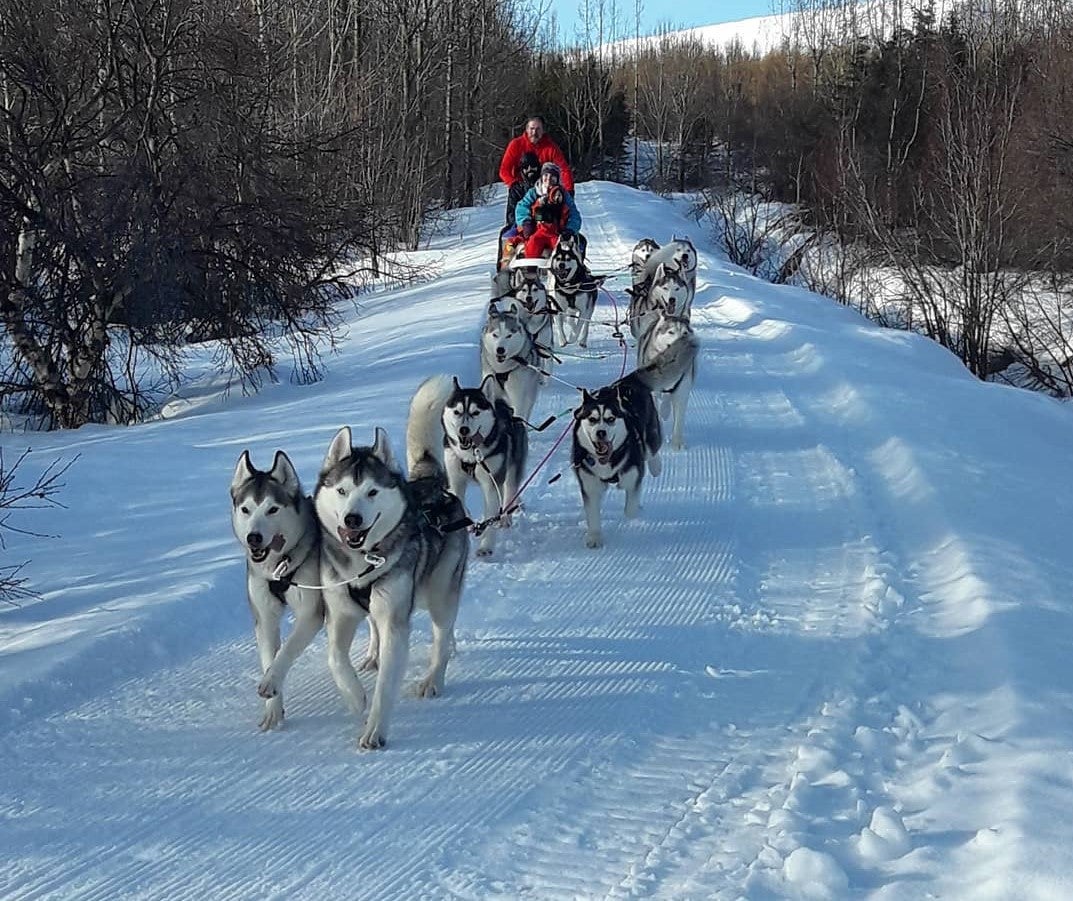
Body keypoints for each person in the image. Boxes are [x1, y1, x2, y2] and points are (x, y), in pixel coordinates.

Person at [499, 116, 575, 227]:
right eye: (532, 128)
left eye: (538, 129)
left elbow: (564, 169)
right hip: (520, 189)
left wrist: (569, 190)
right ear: (526, 129)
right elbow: (504, 170)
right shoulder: (516, 145)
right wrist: (513, 183)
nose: (534, 132)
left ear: (543, 131)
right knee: (513, 225)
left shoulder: (550, 147)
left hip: (543, 189)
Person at [515, 162, 582, 260]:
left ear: (557, 179)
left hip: (558, 231)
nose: (549, 179)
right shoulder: (534, 192)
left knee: (575, 244)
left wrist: (570, 229)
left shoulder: (563, 194)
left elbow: (574, 214)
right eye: (546, 175)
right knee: (519, 241)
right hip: (535, 229)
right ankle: (524, 266)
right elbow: (521, 207)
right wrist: (525, 222)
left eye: (553, 176)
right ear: (541, 177)